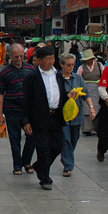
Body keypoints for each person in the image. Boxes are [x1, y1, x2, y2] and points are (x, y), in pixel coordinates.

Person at [22, 46, 73, 190]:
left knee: (57, 145)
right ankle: (44, 178)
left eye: (52, 58)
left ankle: (39, 166)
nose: (51, 61)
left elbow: (60, 92)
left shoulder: (57, 74)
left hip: (55, 116)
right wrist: (26, 121)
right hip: (39, 118)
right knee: (43, 148)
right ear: (39, 60)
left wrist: (68, 95)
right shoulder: (32, 77)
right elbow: (26, 100)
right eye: (48, 59)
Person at [0, 44, 37, 175]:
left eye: (21, 56)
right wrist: (0, 113)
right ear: (10, 56)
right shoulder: (5, 72)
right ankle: (17, 165)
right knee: (15, 138)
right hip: (12, 110)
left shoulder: (31, 69)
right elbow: (0, 93)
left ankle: (26, 161)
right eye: (16, 56)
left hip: (29, 111)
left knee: (32, 137)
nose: (19, 58)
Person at [58, 53, 85, 177]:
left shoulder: (78, 78)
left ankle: (66, 156)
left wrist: (91, 108)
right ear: (61, 65)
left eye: (73, 65)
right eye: (68, 65)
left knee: (74, 139)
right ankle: (68, 166)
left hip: (76, 113)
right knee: (66, 140)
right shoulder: (57, 78)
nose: (71, 67)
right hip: (63, 114)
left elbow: (87, 94)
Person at [77, 50, 102, 136]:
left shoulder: (99, 65)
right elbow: (78, 78)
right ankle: (87, 129)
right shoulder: (81, 68)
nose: (88, 61)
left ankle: (98, 127)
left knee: (97, 107)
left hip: (97, 89)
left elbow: (104, 75)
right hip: (85, 88)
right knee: (86, 108)